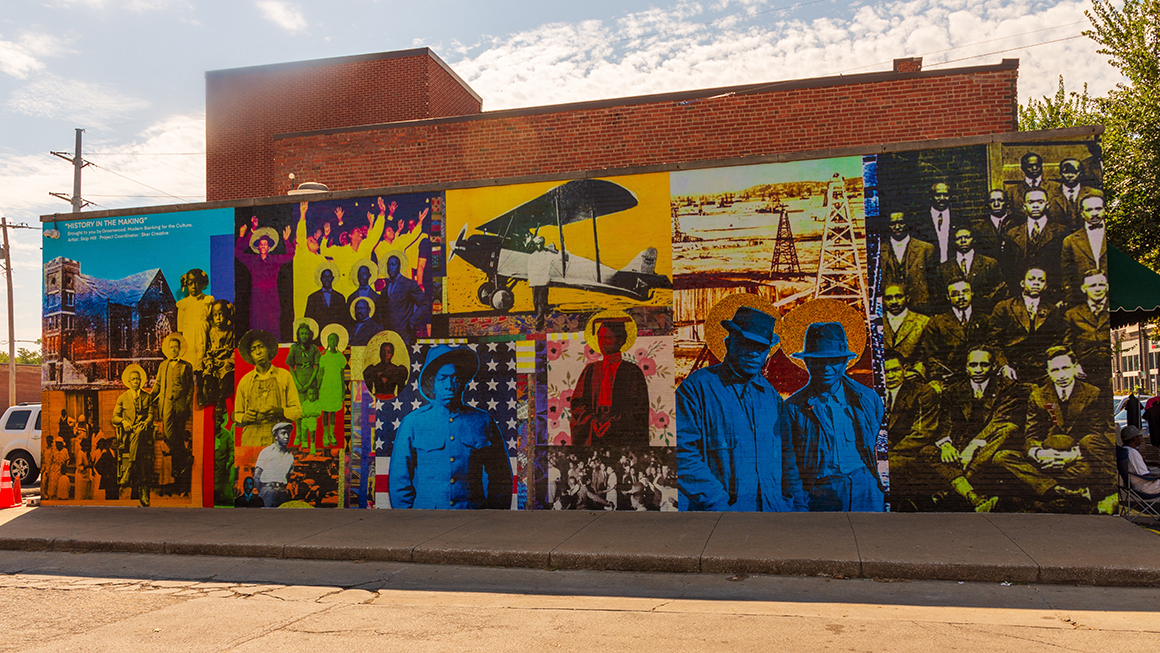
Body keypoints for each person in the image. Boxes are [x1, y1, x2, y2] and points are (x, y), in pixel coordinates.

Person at [676, 305, 808, 512]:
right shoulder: (697, 388)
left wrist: (798, 506)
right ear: (729, 343)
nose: (754, 352)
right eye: (746, 343)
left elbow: (787, 457)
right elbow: (680, 453)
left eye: (761, 347)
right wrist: (717, 502)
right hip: (723, 518)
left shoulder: (771, 397)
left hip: (774, 514)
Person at [389, 345, 514, 510]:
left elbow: (501, 475)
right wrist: (409, 519)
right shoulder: (413, 422)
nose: (449, 385)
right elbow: (399, 478)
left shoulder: (483, 420)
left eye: (455, 378)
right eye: (442, 378)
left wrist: (492, 516)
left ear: (462, 382)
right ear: (432, 383)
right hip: (426, 519)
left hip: (472, 518)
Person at [994, 347, 1114, 509]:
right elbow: (1031, 435)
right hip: (1045, 458)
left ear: (1075, 367)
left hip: (1076, 459)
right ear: (1048, 372)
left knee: (1087, 468)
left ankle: (1045, 489)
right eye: (1055, 370)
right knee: (1002, 457)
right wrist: (1040, 453)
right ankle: (1060, 491)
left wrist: (1070, 456)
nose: (1061, 375)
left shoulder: (1092, 393)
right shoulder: (1038, 395)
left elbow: (1095, 435)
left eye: (1065, 368)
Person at [786, 321, 885, 512]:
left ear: (845, 362)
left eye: (834, 361)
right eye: (819, 361)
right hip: (822, 493)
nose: (827, 368)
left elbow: (872, 435)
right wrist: (799, 503)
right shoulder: (793, 408)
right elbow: (789, 464)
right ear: (807, 362)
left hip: (865, 490)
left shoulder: (867, 399)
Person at [928, 346, 1023, 512]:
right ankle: (972, 495)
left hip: (989, 443)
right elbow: (944, 422)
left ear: (993, 367)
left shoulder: (1006, 387)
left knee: (1009, 428)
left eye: (984, 365)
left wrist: (973, 447)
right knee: (926, 450)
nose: (978, 370)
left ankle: (959, 485)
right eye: (973, 365)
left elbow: (999, 420)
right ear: (966, 367)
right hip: (960, 445)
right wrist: (945, 444)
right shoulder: (953, 390)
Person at [569, 317, 650, 449]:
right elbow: (577, 404)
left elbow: (639, 409)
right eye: (600, 338)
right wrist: (593, 422)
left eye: (608, 337)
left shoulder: (632, 371)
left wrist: (614, 424)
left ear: (620, 340)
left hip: (620, 432)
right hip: (593, 428)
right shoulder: (591, 370)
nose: (603, 342)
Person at [882, 352, 939, 510]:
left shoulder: (923, 392)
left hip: (911, 453)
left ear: (905, 369)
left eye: (895, 370)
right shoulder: (869, 394)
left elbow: (922, 433)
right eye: (885, 372)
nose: (891, 376)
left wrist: (886, 453)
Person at [989, 267, 1064, 384]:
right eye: (1031, 279)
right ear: (1022, 283)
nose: (1036, 283)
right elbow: (993, 341)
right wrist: (1003, 366)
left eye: (1041, 280)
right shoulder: (1004, 307)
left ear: (1046, 286)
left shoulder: (1052, 310)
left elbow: (1057, 341)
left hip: (1042, 371)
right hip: (1012, 368)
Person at [234, 329, 303, 448]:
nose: (258, 352)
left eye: (261, 347)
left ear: (268, 349)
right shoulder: (245, 381)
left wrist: (280, 411)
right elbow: (236, 414)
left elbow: (297, 411)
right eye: (253, 349)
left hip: (276, 438)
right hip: (251, 439)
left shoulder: (284, 376)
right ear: (250, 355)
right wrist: (245, 417)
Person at [1000, 188, 1069, 298]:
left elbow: (1066, 267)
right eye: (1031, 202)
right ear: (1024, 206)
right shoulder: (1012, 234)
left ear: (1047, 205)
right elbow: (1008, 268)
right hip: (1021, 295)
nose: (1035, 206)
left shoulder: (1061, 232)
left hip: (1053, 295)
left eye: (1040, 202)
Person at [921, 279, 993, 379]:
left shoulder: (986, 320)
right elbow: (931, 356)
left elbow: (993, 349)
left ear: (972, 293)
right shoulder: (937, 322)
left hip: (982, 375)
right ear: (948, 297)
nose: (961, 297)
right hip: (949, 378)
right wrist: (939, 377)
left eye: (965, 292)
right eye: (955, 294)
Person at [235, 221, 295, 336]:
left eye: (265, 244)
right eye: (261, 244)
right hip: (257, 295)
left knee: (273, 321)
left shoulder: (275, 260)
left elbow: (290, 255)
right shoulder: (252, 260)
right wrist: (244, 235)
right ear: (258, 246)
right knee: (257, 322)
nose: (263, 246)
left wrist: (286, 241)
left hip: (272, 295)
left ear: (269, 247)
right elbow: (237, 252)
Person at [935, 226, 1005, 314]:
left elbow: (999, 291)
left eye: (967, 237)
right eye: (959, 238)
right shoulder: (943, 268)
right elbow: (940, 297)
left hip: (984, 313)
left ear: (974, 239)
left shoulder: (989, 264)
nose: (963, 240)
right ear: (953, 242)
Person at [882, 212, 936, 312]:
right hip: (891, 311)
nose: (897, 227)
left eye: (901, 223)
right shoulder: (880, 251)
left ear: (907, 223)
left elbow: (934, 285)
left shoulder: (925, 249)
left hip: (920, 310)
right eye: (893, 224)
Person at [1060, 193, 1107, 307]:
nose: (1094, 213)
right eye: (1089, 210)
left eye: (1098, 209)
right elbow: (1066, 275)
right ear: (1082, 213)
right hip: (1082, 300)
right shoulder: (1070, 241)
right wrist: (1071, 299)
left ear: (1104, 210)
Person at [1064, 270, 1111, 381]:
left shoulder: (1115, 308)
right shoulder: (1073, 314)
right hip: (1084, 370)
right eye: (1092, 285)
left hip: (1110, 369)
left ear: (1107, 287)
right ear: (1083, 289)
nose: (1098, 289)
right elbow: (1067, 344)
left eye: (1101, 285)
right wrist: (1074, 365)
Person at [285, 319, 322, 452]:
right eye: (302, 333)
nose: (304, 336)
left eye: (306, 333)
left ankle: (311, 440)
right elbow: (290, 365)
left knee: (311, 411)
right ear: (298, 335)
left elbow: (316, 367)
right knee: (299, 410)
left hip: (311, 382)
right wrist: (296, 382)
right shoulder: (294, 349)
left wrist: (309, 383)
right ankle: (299, 435)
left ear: (310, 335)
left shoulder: (314, 349)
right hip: (298, 381)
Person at [374, 254, 423, 347]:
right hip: (389, 335)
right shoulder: (385, 289)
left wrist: (412, 322)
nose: (390, 268)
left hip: (405, 335)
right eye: (388, 265)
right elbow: (381, 310)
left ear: (399, 266)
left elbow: (424, 304)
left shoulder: (409, 284)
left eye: (393, 264)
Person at [882, 282, 929, 372]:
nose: (894, 302)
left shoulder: (923, 321)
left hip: (912, 377)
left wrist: (917, 372)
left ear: (907, 298)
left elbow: (928, 355)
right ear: (883, 300)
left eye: (899, 297)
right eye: (889, 298)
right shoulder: (877, 322)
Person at [911, 182, 961, 264]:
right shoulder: (920, 219)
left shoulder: (958, 218)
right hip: (929, 267)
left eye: (945, 195)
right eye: (938, 195)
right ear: (931, 197)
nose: (942, 198)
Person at [175, 268, 213, 374]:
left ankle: (202, 387)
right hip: (189, 337)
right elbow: (180, 328)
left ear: (202, 284)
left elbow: (211, 321)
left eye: (197, 283)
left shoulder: (208, 301)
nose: (194, 287)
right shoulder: (183, 304)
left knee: (203, 361)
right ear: (186, 285)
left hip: (203, 335)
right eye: (190, 284)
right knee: (189, 363)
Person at [201, 299, 236, 407]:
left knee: (227, 381)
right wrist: (209, 363)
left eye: (221, 315)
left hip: (226, 364)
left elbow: (234, 351)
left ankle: (222, 401)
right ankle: (211, 399)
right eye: (215, 315)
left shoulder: (230, 333)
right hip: (214, 363)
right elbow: (208, 351)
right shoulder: (211, 333)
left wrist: (230, 361)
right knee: (209, 380)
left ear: (226, 316)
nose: (218, 318)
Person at [317, 327, 348, 447]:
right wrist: (318, 389)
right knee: (325, 412)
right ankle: (325, 434)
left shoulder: (340, 356)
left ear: (337, 342)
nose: (332, 342)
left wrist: (343, 392)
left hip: (336, 387)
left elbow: (342, 375)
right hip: (325, 387)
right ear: (328, 342)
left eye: (335, 340)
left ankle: (332, 434)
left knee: (333, 412)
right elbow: (320, 374)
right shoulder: (324, 356)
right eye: (330, 340)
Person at [254, 422, 296, 508]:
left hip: (283, 493)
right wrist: (263, 492)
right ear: (276, 436)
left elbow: (288, 477)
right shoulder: (266, 452)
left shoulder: (290, 457)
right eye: (283, 433)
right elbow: (257, 476)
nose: (287, 437)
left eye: (288, 434)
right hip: (268, 492)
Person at [970, 189, 1017, 261]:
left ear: (1006, 202)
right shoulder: (978, 229)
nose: (996, 204)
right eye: (992, 201)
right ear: (987, 204)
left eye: (1000, 200)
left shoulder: (1017, 224)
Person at [527, 237, 563, 330]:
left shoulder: (547, 255)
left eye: (541, 243)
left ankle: (539, 325)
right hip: (535, 282)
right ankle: (545, 311)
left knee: (540, 303)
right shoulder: (532, 256)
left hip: (543, 282)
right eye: (537, 244)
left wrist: (550, 248)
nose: (539, 245)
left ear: (543, 244)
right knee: (535, 302)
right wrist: (531, 281)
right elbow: (530, 269)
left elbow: (559, 256)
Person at [1047, 158, 1092, 231]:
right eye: (1066, 172)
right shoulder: (1050, 195)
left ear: (1080, 172)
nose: (1070, 175)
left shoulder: (1093, 193)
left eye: (1074, 172)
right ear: (1060, 173)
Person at [304, 262, 349, 330]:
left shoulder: (340, 298)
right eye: (324, 277)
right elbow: (308, 320)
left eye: (329, 277)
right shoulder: (312, 298)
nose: (327, 279)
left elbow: (344, 319)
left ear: (333, 278)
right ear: (321, 279)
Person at [1120, 426, 1160, 495]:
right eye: (1140, 436)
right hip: (1145, 486)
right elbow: (1144, 474)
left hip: (1135, 484)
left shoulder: (1125, 450)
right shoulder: (1133, 453)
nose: (1141, 438)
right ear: (1134, 439)